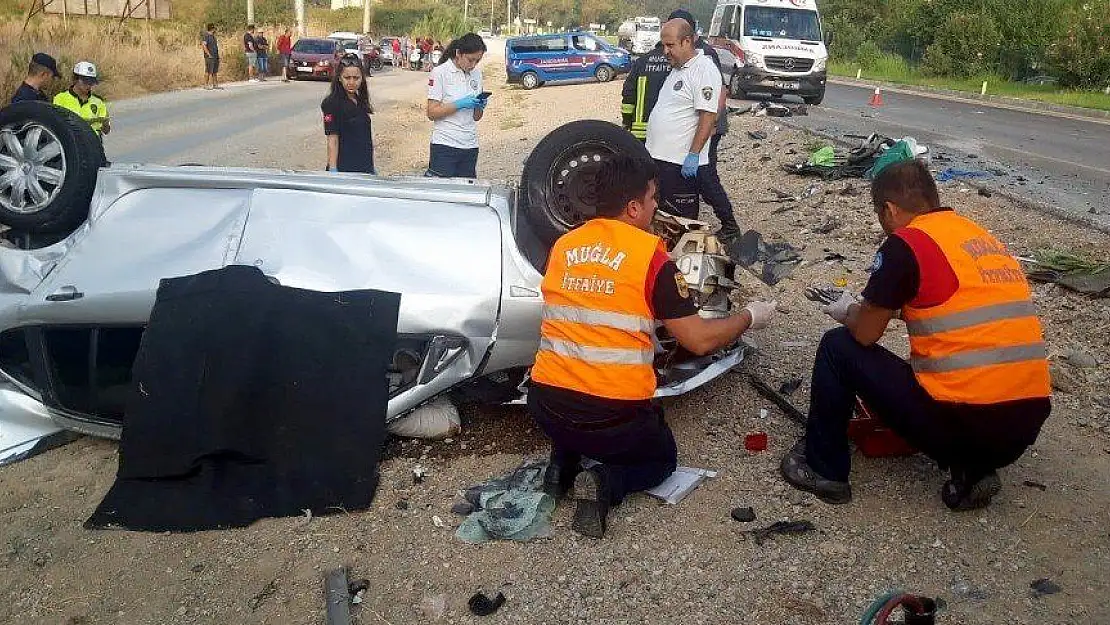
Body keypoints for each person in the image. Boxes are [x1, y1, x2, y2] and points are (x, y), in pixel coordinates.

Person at [781, 160, 1052, 511]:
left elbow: (865, 335)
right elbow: (954, 307)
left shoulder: (906, 244)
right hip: (1024, 425)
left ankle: (825, 468)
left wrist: (850, 313)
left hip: (964, 424)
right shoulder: (979, 238)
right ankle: (972, 470)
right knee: (947, 370)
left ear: (890, 209)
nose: (883, 227)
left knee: (838, 347)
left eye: (881, 216)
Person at [530, 153, 776, 538]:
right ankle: (608, 484)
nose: (655, 206)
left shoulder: (563, 246)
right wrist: (750, 317)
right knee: (661, 461)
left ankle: (561, 466)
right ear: (632, 207)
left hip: (546, 406)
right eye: (652, 198)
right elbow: (698, 340)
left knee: (574, 406)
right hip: (613, 417)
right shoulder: (650, 258)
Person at [667, 9, 738, 243]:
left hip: (709, 127)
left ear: (689, 36)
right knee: (698, 180)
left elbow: (719, 93)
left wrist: (711, 125)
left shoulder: (705, 56)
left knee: (706, 178)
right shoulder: (680, 59)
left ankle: (729, 225)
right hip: (693, 131)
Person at [643, 19, 720, 222]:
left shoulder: (703, 69)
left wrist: (693, 155)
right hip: (661, 158)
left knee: (681, 220)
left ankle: (728, 229)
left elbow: (708, 115)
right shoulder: (677, 69)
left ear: (687, 41)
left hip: (679, 162)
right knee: (663, 216)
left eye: (670, 46)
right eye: (663, 46)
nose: (665, 51)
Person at [425, 33, 486, 178]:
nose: (473, 65)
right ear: (458, 53)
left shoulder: (477, 74)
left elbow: (476, 117)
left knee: (466, 194)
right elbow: (431, 113)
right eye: (470, 60)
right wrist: (460, 104)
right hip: (445, 145)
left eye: (477, 61)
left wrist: (480, 105)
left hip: (470, 145)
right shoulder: (440, 73)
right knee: (443, 194)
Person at [322, 54, 376, 174]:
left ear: (362, 78)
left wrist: (371, 167)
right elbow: (332, 140)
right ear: (340, 78)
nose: (351, 82)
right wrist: (333, 169)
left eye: (356, 78)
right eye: (347, 77)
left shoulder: (360, 100)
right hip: (344, 169)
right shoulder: (331, 103)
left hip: (364, 168)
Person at [52, 61, 111, 137]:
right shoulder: (60, 99)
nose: (89, 85)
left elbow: (106, 131)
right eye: (85, 82)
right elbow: (55, 125)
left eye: (91, 82)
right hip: (71, 143)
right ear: (75, 79)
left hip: (92, 144)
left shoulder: (98, 102)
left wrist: (105, 125)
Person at [201, 23, 221, 90]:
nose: (215, 30)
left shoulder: (213, 36)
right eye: (214, 28)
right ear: (212, 29)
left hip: (215, 56)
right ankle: (205, 85)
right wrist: (208, 54)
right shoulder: (206, 36)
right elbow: (204, 45)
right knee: (208, 71)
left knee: (214, 71)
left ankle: (215, 85)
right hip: (209, 57)